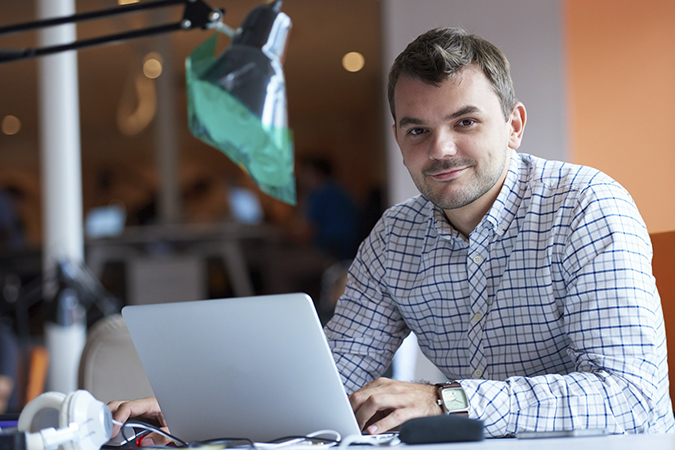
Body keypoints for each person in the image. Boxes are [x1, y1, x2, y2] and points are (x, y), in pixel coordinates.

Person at [108, 27, 674, 440]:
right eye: (418, 130)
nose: (441, 149)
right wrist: (193, 409)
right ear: (399, 139)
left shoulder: (586, 207)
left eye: (466, 122)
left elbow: (630, 394)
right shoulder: (395, 237)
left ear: (515, 125)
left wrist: (444, 399)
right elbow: (328, 378)